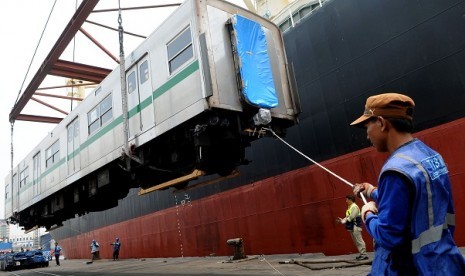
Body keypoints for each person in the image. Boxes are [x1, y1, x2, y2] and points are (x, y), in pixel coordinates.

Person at [350, 92, 465, 274]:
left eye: (367, 126)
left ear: (381, 123)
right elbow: (419, 200)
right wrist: (372, 191)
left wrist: (368, 214)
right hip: (445, 261)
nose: (367, 135)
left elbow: (389, 236)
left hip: (414, 266)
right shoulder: (432, 157)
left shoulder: (394, 170)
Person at [336, 195, 368, 260]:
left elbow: (351, 217)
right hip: (352, 227)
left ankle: (364, 255)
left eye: (347, 199)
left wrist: (343, 221)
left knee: (359, 241)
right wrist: (342, 220)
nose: (346, 201)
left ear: (350, 200)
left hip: (355, 226)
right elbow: (348, 216)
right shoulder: (350, 207)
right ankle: (362, 254)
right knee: (356, 242)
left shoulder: (354, 207)